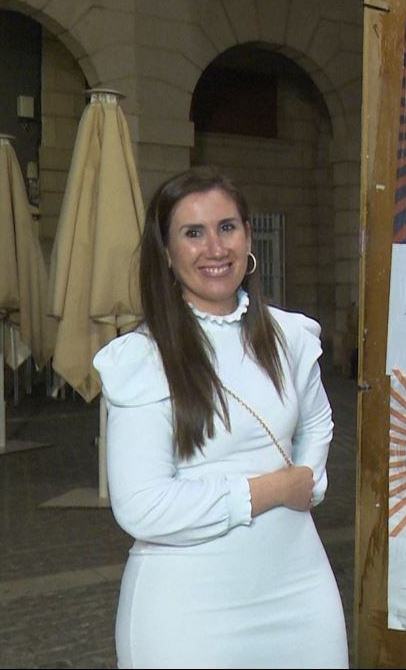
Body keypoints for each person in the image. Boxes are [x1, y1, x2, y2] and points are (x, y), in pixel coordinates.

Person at [93, 166, 347, 668]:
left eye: (227, 227)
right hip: (188, 610)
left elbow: (317, 422)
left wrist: (309, 478)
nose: (215, 248)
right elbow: (141, 506)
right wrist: (273, 490)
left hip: (300, 589)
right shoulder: (143, 359)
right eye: (193, 233)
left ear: (248, 236)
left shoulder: (288, 336)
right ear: (166, 253)